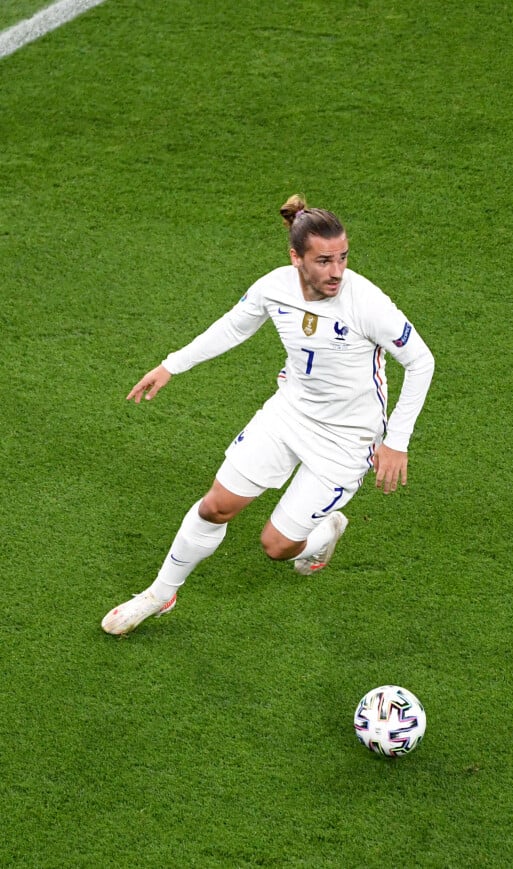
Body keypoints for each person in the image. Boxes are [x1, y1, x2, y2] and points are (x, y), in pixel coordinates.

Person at [101, 195, 435, 635]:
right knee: (215, 507)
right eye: (323, 261)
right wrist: (171, 365)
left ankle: (323, 534)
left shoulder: (366, 303)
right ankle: (161, 594)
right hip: (288, 414)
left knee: (277, 546)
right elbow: (233, 327)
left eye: (343, 258)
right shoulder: (273, 288)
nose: (336, 272)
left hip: (347, 439)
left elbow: (420, 361)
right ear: (295, 257)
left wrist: (397, 440)